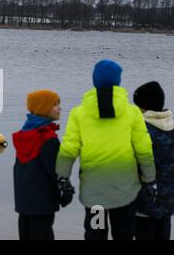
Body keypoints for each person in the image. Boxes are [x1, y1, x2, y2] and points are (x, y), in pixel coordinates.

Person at [56, 59, 156, 240]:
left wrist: (63, 177)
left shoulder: (79, 113)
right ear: (118, 81)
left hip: (95, 194)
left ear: (94, 80)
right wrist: (149, 179)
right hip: (125, 193)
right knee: (124, 234)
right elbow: (144, 149)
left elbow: (69, 149)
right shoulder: (132, 112)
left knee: (96, 234)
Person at [12, 90, 74, 240]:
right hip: (42, 201)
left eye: (59, 104)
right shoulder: (47, 137)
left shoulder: (24, 134)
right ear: (43, 108)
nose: (59, 108)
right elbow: (56, 170)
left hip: (24, 201)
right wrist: (67, 191)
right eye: (54, 104)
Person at [133, 81, 174, 240]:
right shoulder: (172, 127)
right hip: (168, 202)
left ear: (143, 107)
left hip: (144, 205)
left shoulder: (141, 130)